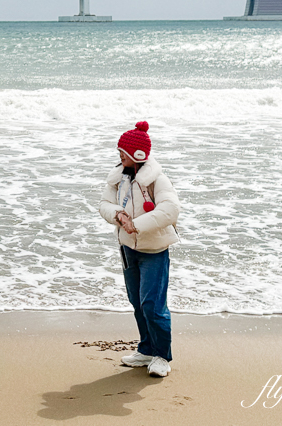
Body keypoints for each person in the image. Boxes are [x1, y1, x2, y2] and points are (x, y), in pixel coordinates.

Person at [98, 121, 180, 378]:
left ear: (138, 156)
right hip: (127, 249)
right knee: (136, 302)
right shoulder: (118, 177)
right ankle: (146, 349)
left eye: (123, 153)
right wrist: (118, 216)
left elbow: (170, 210)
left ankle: (162, 356)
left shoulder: (158, 180)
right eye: (119, 152)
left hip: (154, 250)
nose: (119, 156)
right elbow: (104, 204)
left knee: (152, 305)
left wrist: (137, 225)